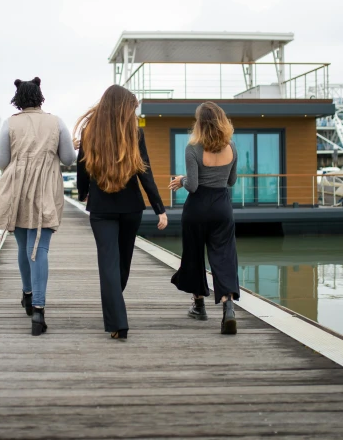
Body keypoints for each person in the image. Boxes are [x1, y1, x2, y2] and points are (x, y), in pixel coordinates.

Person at [0, 77, 75, 336]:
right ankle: (39, 311)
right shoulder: (57, 122)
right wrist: (73, 147)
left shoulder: (10, 122)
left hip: (16, 188)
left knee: (22, 246)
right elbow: (67, 159)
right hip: (46, 188)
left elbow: (2, 161)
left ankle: (28, 296)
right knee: (38, 248)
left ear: (18, 98)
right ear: (40, 95)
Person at [75, 85, 168, 340]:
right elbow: (145, 172)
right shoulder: (130, 133)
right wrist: (159, 208)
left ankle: (115, 311)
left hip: (104, 209)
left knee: (113, 266)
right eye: (132, 108)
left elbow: (82, 170)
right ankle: (118, 319)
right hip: (129, 208)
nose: (134, 113)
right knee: (119, 264)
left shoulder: (91, 132)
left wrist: (84, 193)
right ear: (123, 108)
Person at [168, 101, 239, 335]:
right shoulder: (232, 148)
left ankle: (199, 305)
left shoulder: (193, 148)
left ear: (200, 123)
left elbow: (194, 185)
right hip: (221, 207)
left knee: (194, 255)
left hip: (197, 209)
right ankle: (228, 305)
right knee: (224, 255)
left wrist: (181, 179)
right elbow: (231, 181)